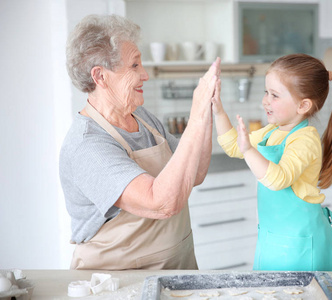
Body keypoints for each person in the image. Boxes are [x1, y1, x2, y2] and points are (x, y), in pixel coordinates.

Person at [60, 14, 220, 270]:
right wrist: (196, 115)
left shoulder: (142, 118)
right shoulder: (87, 146)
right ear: (100, 77)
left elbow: (195, 173)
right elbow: (161, 202)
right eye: (135, 66)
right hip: (120, 282)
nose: (145, 75)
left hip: (175, 269)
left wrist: (207, 110)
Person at [211, 53, 332, 271]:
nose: (265, 100)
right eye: (266, 92)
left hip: (301, 247)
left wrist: (248, 149)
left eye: (275, 95)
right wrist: (218, 111)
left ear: (303, 105)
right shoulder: (272, 132)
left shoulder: (304, 139)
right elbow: (231, 146)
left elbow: (278, 179)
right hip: (272, 242)